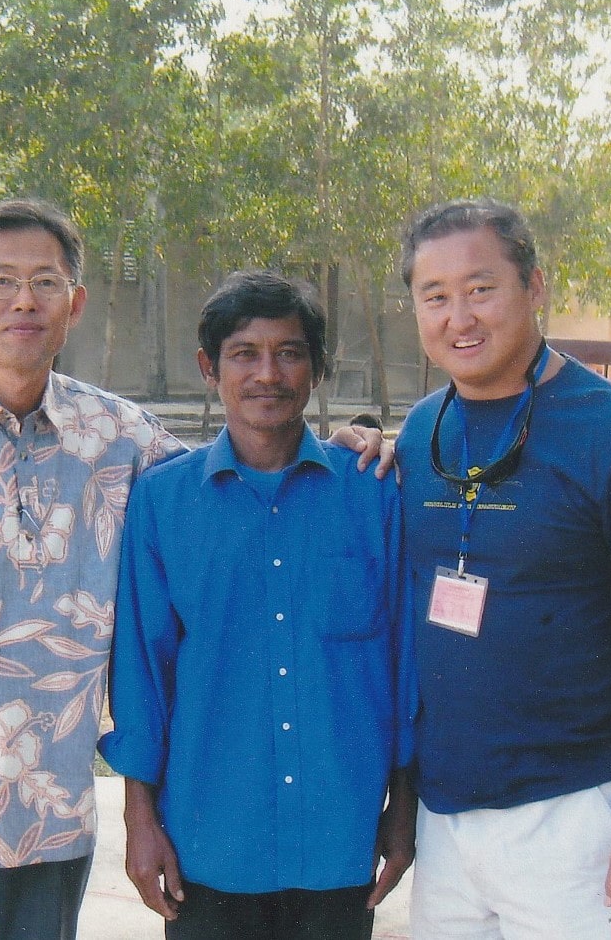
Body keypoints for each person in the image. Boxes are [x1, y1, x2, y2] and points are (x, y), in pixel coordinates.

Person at [0, 200, 391, 938]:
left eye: (45, 282)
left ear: (74, 305)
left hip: (55, 806)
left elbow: (245, 467)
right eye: (2, 281)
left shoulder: (119, 436)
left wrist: (344, 446)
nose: (24, 301)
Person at [394, 197, 611, 938]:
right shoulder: (419, 432)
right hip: (447, 816)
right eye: (434, 297)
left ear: (534, 287)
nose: (459, 317)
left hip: (577, 816)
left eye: (480, 289)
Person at [100, 270, 414, 939]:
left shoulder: (373, 494)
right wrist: (138, 818)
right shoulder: (163, 503)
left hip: (340, 833)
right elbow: (142, 675)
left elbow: (403, 662)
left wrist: (405, 805)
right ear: (208, 368)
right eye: (244, 353)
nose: (267, 373)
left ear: (318, 368)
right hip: (209, 840)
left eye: (289, 353)